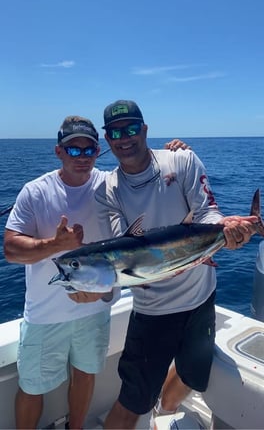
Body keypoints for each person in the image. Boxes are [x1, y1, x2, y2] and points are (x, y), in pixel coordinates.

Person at [3, 114, 187, 430]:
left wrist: (174, 154)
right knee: (33, 388)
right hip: (45, 314)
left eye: (88, 150)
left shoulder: (109, 183)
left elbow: (149, 173)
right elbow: (10, 250)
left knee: (86, 375)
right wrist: (53, 244)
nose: (82, 157)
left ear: (97, 151)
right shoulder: (35, 192)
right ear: (58, 151)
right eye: (73, 150)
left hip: (96, 308)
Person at [94, 99, 258, 429]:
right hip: (153, 311)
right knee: (131, 401)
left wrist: (226, 230)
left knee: (192, 374)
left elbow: (207, 212)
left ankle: (163, 415)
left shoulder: (181, 160)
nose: (124, 139)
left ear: (144, 130)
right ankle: (149, 409)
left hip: (200, 300)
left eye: (130, 129)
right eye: (115, 132)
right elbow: (121, 247)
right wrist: (101, 287)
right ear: (107, 139)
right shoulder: (107, 190)